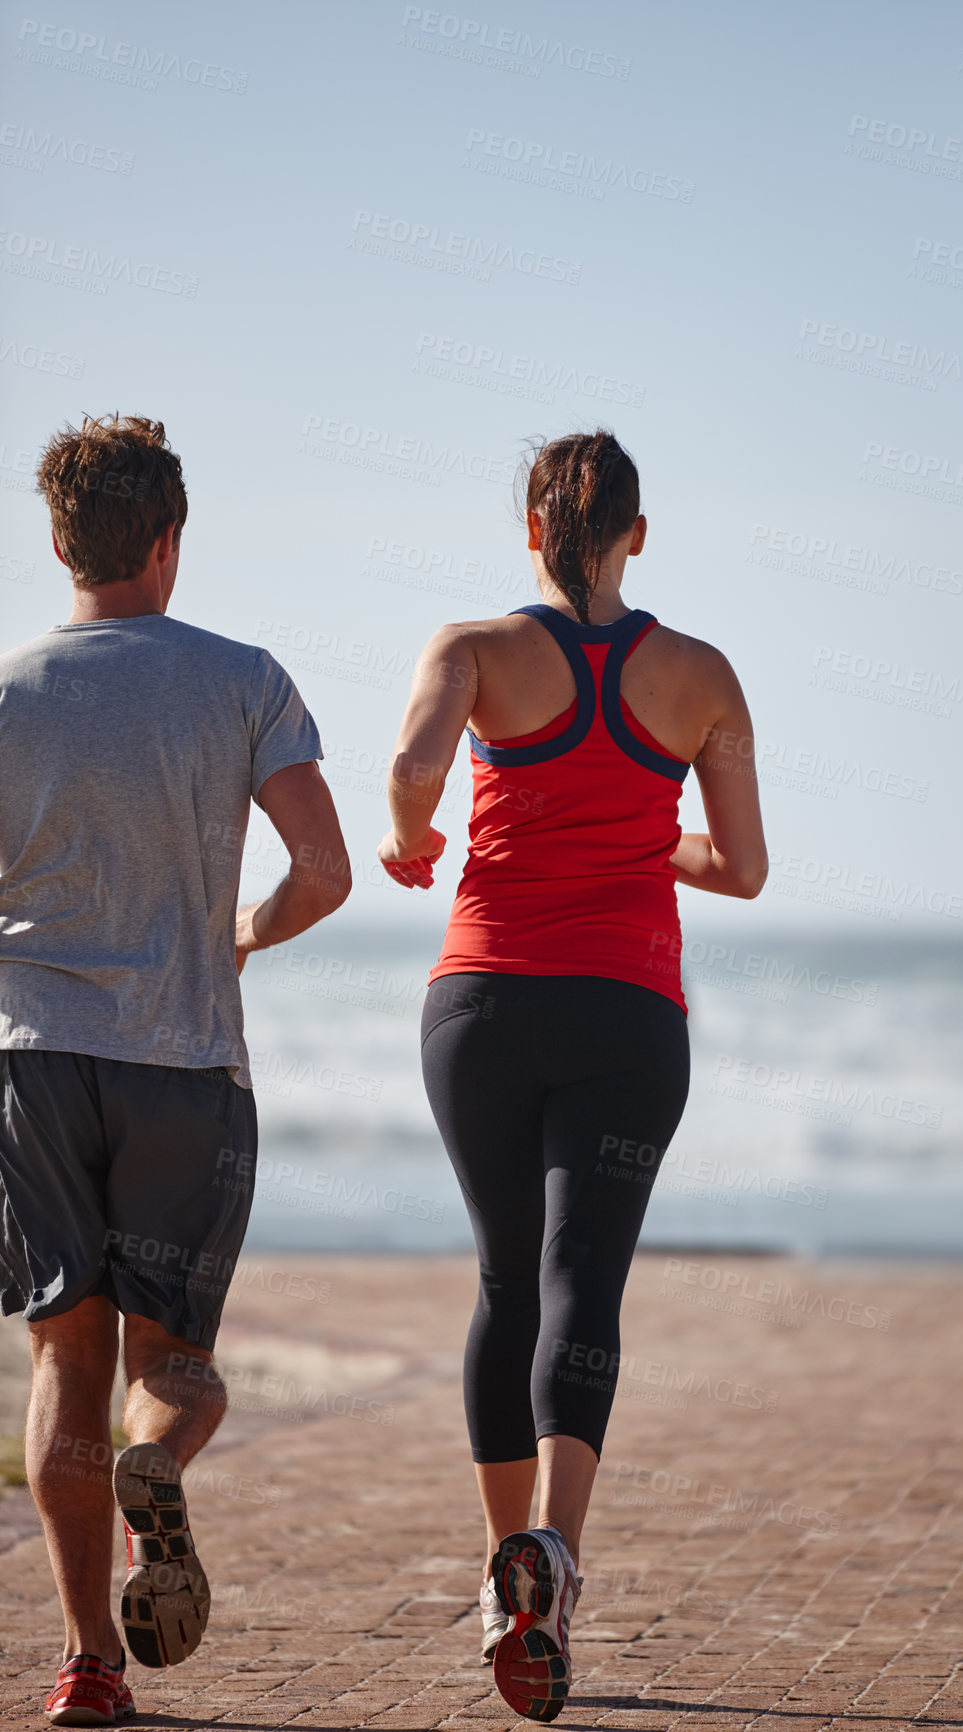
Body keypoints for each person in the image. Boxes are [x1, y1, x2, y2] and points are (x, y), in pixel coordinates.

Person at [378, 429, 767, 1721]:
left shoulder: (472, 650)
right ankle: (557, 1555)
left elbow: (413, 771)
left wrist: (410, 833)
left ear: (528, 527)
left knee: (502, 1279)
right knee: (579, 1283)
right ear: (637, 535)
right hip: (626, 1016)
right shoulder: (699, 673)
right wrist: (645, 841)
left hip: (481, 1007)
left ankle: (504, 1588)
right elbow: (745, 866)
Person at [0, 415, 351, 1726]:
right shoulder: (242, 680)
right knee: (172, 1362)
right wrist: (241, 935)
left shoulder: (8, 687)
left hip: (32, 1062)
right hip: (184, 1063)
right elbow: (323, 871)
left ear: (57, 541)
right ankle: (159, 1460)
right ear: (169, 542)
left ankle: (89, 1662)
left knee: (60, 1362)